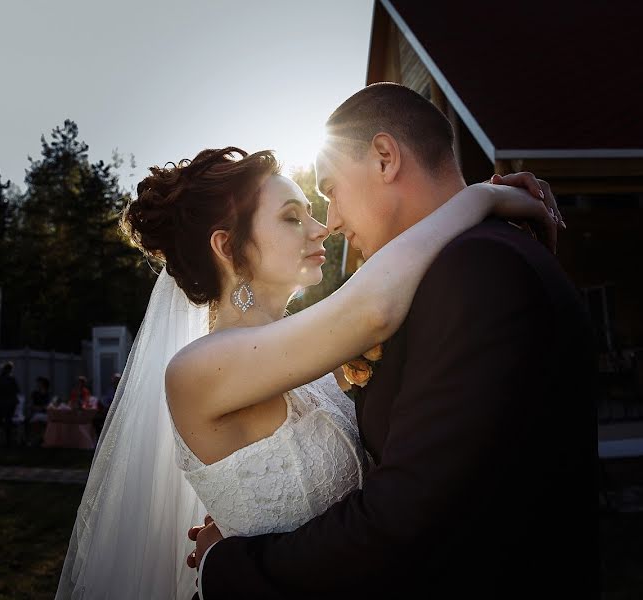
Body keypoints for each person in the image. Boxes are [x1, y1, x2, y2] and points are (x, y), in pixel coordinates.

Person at [55, 101, 569, 599]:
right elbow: (372, 309)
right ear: (227, 246)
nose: (322, 227)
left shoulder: (312, 353)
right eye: (291, 216)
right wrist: (477, 199)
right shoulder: (197, 369)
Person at [190, 84, 596, 599]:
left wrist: (230, 566)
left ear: (385, 158)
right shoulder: (464, 266)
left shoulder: (478, 273)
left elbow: (405, 525)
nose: (331, 222)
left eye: (331, 189)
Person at [0, 362, 20, 448]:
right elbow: (17, 390)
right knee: (8, 422)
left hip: (0, 403)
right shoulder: (12, 379)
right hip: (9, 403)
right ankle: (8, 442)